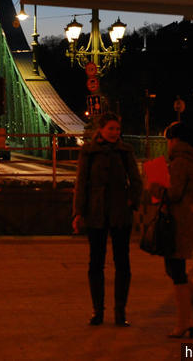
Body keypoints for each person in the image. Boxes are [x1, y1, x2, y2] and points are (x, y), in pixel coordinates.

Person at [73, 112, 143, 327]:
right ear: (101, 130)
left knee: (123, 263)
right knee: (96, 264)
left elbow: (136, 180)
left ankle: (120, 312)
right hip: (96, 213)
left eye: (117, 129)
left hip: (120, 213)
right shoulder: (89, 152)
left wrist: (133, 201)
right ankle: (98, 312)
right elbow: (81, 183)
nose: (115, 133)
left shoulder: (125, 151)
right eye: (110, 128)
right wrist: (78, 212)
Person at [149, 121, 193, 338]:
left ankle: (184, 322)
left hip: (176, 221)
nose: (168, 144)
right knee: (176, 270)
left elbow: (173, 193)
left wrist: (155, 185)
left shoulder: (180, 162)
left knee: (176, 272)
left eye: (169, 140)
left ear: (176, 141)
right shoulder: (192, 159)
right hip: (186, 218)